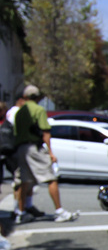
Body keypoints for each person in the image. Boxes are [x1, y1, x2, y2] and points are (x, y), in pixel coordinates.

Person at [12, 84, 77, 223]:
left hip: (21, 148)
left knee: (24, 181)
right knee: (51, 178)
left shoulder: (20, 112)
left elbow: (16, 132)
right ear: (38, 97)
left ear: (25, 96)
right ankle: (59, 211)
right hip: (34, 148)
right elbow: (45, 132)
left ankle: (20, 212)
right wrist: (50, 152)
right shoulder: (39, 110)